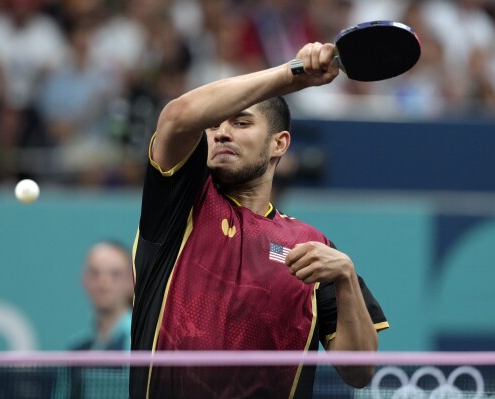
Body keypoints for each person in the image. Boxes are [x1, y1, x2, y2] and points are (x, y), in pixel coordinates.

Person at [130, 41, 389, 399]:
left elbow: (359, 372)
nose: (221, 132)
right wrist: (292, 74)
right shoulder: (180, 206)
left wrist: (345, 275)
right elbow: (178, 115)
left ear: (279, 144)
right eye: (214, 126)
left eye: (241, 123)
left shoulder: (313, 248)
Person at [53, 241, 134, 399]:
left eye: (115, 274)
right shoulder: (76, 349)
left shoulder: (142, 345)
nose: (104, 282)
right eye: (95, 273)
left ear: (131, 281)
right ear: (84, 280)